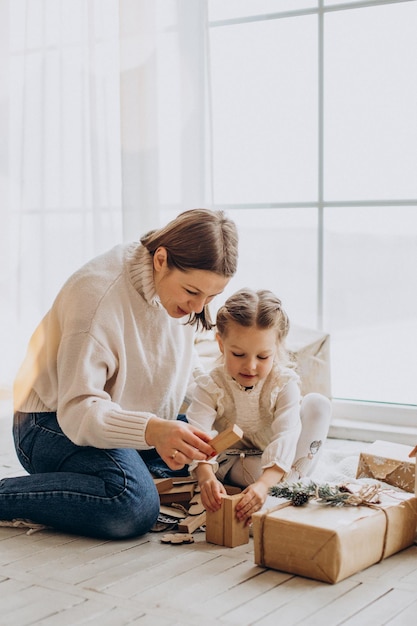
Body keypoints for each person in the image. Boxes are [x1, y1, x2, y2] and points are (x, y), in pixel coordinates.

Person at [1, 208, 238, 539]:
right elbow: (78, 409)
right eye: (193, 292)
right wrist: (153, 431)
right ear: (161, 260)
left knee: (211, 440)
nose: (199, 308)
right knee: (132, 503)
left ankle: (132, 466)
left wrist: (230, 399)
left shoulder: (179, 294)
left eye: (212, 296)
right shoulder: (96, 296)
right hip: (50, 422)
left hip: (123, 415)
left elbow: (183, 368)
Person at [187, 288, 332, 525]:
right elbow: (197, 434)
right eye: (238, 354)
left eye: (263, 357)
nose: (251, 366)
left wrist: (265, 485)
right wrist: (205, 478)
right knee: (254, 474)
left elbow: (287, 435)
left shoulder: (283, 382)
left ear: (277, 349)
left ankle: (287, 482)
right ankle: (287, 486)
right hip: (236, 460)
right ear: (221, 344)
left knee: (318, 404)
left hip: (276, 459)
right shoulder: (211, 384)